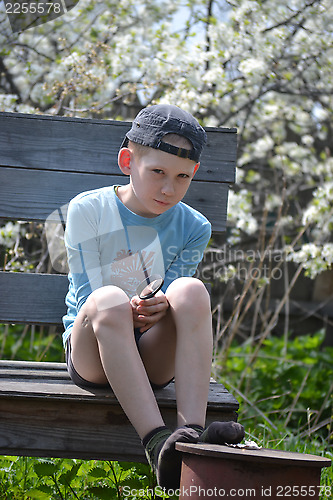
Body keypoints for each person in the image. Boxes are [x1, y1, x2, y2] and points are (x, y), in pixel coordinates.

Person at [62, 104, 244, 490]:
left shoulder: (194, 226)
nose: (168, 188)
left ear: (193, 175)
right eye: (157, 172)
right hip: (94, 350)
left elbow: (171, 295)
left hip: (151, 356)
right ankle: (158, 443)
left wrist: (157, 306)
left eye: (181, 178)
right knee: (109, 299)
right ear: (128, 161)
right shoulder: (88, 210)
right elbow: (86, 299)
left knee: (191, 289)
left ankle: (191, 437)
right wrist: (128, 309)